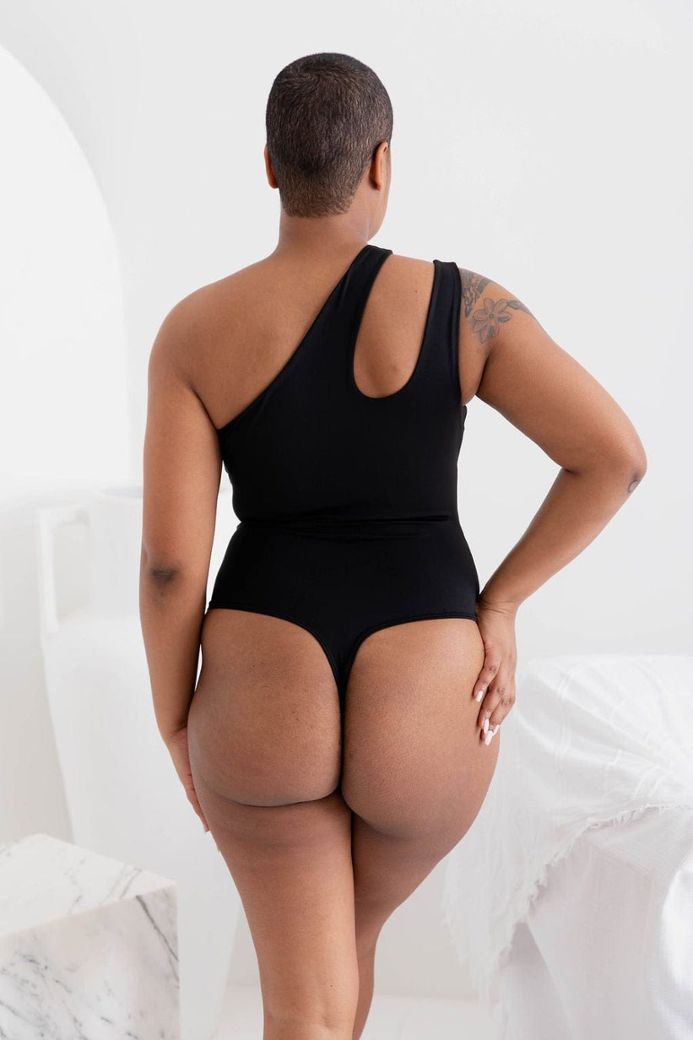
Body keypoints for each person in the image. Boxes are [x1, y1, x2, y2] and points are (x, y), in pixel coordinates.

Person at [139, 51, 647, 1040]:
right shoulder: (467, 306)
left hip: (262, 679)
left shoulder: (194, 330)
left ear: (270, 166)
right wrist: (500, 602)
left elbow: (169, 567)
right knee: (345, 951)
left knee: (305, 996)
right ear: (380, 163)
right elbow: (612, 458)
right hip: (428, 687)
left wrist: (173, 720)